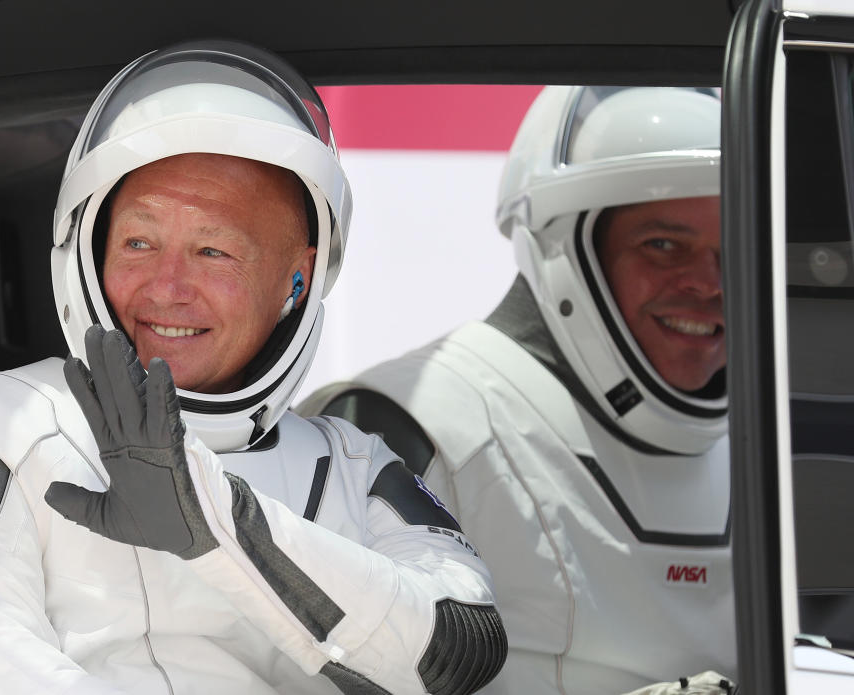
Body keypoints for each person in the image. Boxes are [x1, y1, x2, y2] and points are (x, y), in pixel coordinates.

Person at [0, 41, 507, 695]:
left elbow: (459, 646)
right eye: (139, 241)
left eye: (213, 250)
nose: (167, 286)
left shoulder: (353, 463)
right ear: (88, 247)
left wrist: (220, 524)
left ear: (297, 280)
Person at [299, 86, 735, 694]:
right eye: (663, 245)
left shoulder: (768, 448)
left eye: (732, 250)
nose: (708, 284)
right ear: (569, 251)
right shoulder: (404, 426)